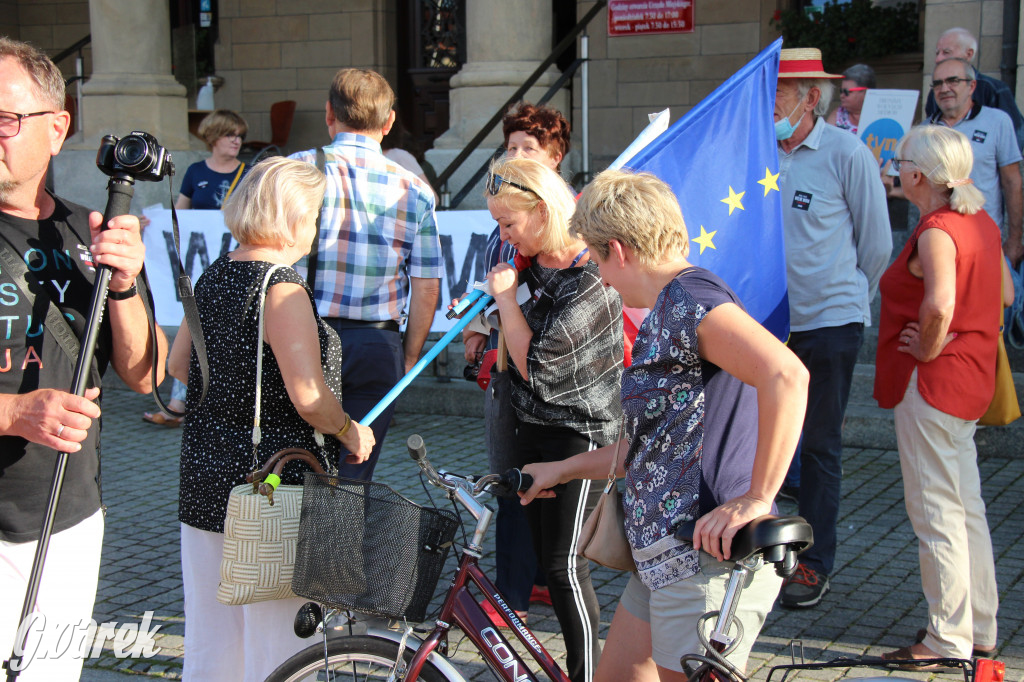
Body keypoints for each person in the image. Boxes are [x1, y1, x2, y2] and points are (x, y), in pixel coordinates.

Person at [520, 169, 809, 682]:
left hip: (704, 558)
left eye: (597, 260)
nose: (602, 279)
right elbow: (652, 444)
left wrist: (758, 497)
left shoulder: (693, 303)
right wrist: (562, 469)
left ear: (619, 249)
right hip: (666, 555)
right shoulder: (669, 307)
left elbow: (787, 374)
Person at [167, 157, 375, 682]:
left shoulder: (214, 273)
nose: (318, 226)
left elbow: (177, 366)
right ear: (294, 217)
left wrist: (233, 406)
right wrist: (349, 430)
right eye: (317, 214)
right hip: (273, 486)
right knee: (283, 643)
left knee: (214, 641)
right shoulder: (280, 289)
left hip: (207, 474)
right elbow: (309, 396)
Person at [0, 37, 167, 680]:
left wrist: (123, 284)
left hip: (68, 519)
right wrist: (15, 410)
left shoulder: (88, 231)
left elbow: (145, 374)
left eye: (8, 118)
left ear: (58, 127)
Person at [485, 155, 623, 682]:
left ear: (542, 211)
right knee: (550, 561)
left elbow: (535, 364)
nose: (503, 236)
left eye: (509, 223)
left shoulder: (589, 277)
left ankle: (586, 673)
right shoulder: (533, 262)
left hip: (580, 435)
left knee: (566, 567)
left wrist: (504, 300)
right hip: (532, 428)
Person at [874, 126, 1005, 667]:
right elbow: (1006, 292)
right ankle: (979, 627)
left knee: (936, 513)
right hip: (968, 379)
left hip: (931, 383)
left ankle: (946, 638)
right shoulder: (980, 222)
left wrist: (928, 348)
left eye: (901, 160)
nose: (896, 166)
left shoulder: (936, 230)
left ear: (919, 174)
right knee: (964, 506)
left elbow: (939, 305)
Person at [773, 48, 892, 608]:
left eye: (777, 95)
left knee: (819, 446)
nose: (768, 107)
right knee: (762, 440)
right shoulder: (760, 154)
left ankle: (814, 565)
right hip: (769, 326)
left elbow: (877, 245)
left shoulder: (847, 152)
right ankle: (765, 547)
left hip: (829, 324)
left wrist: (846, 303)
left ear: (809, 99)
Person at [289, 68, 442, 480]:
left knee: (289, 470)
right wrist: (409, 356)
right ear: (389, 121)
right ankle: (339, 544)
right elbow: (427, 287)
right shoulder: (415, 189)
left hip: (300, 335)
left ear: (328, 114)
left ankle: (279, 542)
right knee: (351, 478)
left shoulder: (296, 170)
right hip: (377, 343)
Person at [460, 101, 571, 625]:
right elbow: (490, 282)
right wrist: (479, 329)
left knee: (547, 482)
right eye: (510, 148)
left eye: (529, 149)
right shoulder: (500, 221)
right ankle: (512, 590)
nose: (517, 157)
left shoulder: (570, 232)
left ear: (554, 157)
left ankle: (538, 582)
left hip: (551, 374)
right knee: (511, 478)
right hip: (508, 369)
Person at [143, 108, 250, 425]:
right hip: (203, 267)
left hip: (236, 265)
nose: (237, 141)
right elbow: (180, 217)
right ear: (214, 137)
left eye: (240, 135)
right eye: (231, 134)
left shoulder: (248, 172)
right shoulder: (193, 172)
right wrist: (152, 224)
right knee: (195, 327)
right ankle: (180, 402)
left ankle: (187, 404)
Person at [926, 58, 1023, 267]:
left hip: (984, 243)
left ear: (972, 86)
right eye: (938, 83)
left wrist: (1015, 240)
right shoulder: (923, 131)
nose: (944, 88)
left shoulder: (998, 121)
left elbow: (1013, 182)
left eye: (953, 81)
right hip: (937, 244)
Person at [925, 27, 1024, 152]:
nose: (938, 59)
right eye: (937, 53)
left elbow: (1015, 137)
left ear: (969, 54)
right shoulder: (935, 93)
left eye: (946, 52)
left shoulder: (993, 89)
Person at [826, 63, 875, 135]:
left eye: (846, 92)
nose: (842, 96)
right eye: (841, 91)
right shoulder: (838, 115)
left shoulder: (878, 115)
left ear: (865, 92)